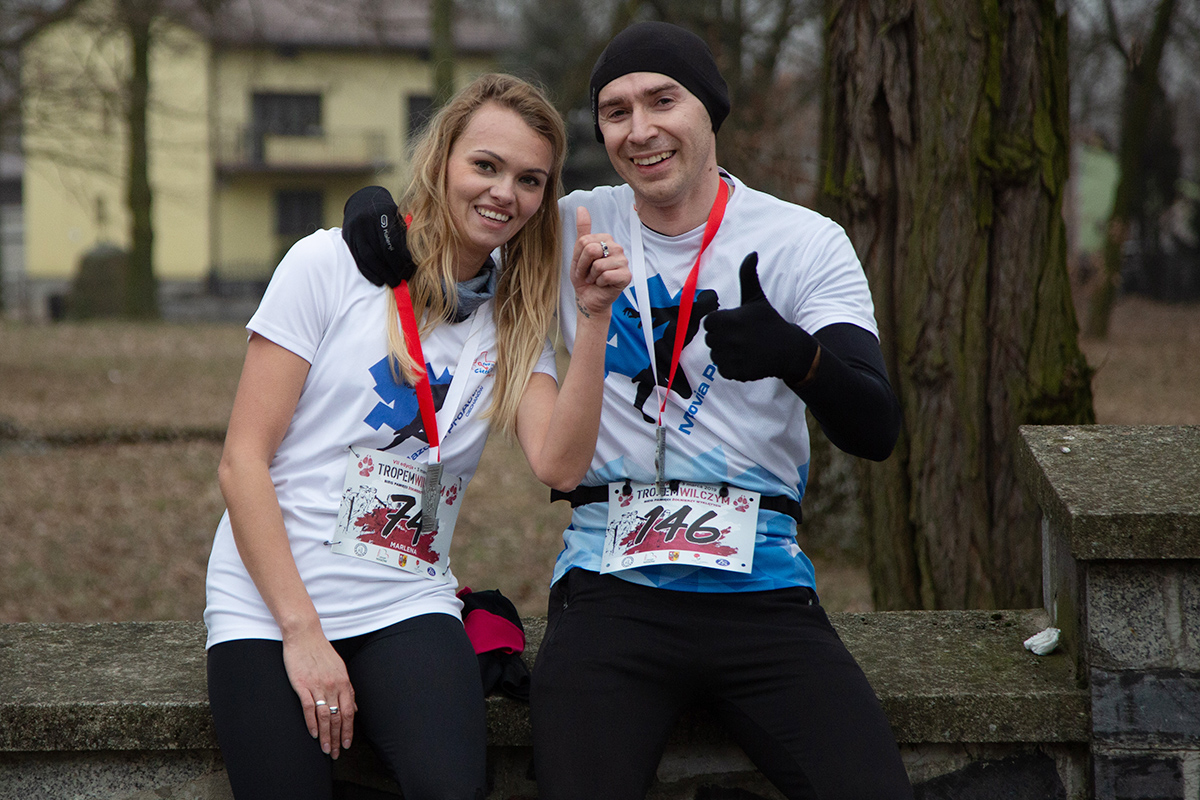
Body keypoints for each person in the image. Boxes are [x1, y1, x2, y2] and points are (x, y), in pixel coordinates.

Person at [203, 73, 629, 800]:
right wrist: (303, 633)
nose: (505, 193)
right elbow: (242, 463)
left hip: (405, 596)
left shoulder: (513, 311)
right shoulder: (327, 264)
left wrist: (593, 321)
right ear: (442, 160)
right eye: (486, 165)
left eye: (530, 180)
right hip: (270, 602)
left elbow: (560, 465)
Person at [530, 22, 913, 800]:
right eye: (615, 112)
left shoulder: (804, 241)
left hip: (761, 588)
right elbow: (456, 225)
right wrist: (375, 216)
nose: (640, 130)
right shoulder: (569, 225)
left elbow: (875, 427)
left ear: (710, 109)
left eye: (662, 100)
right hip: (611, 586)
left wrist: (798, 356)